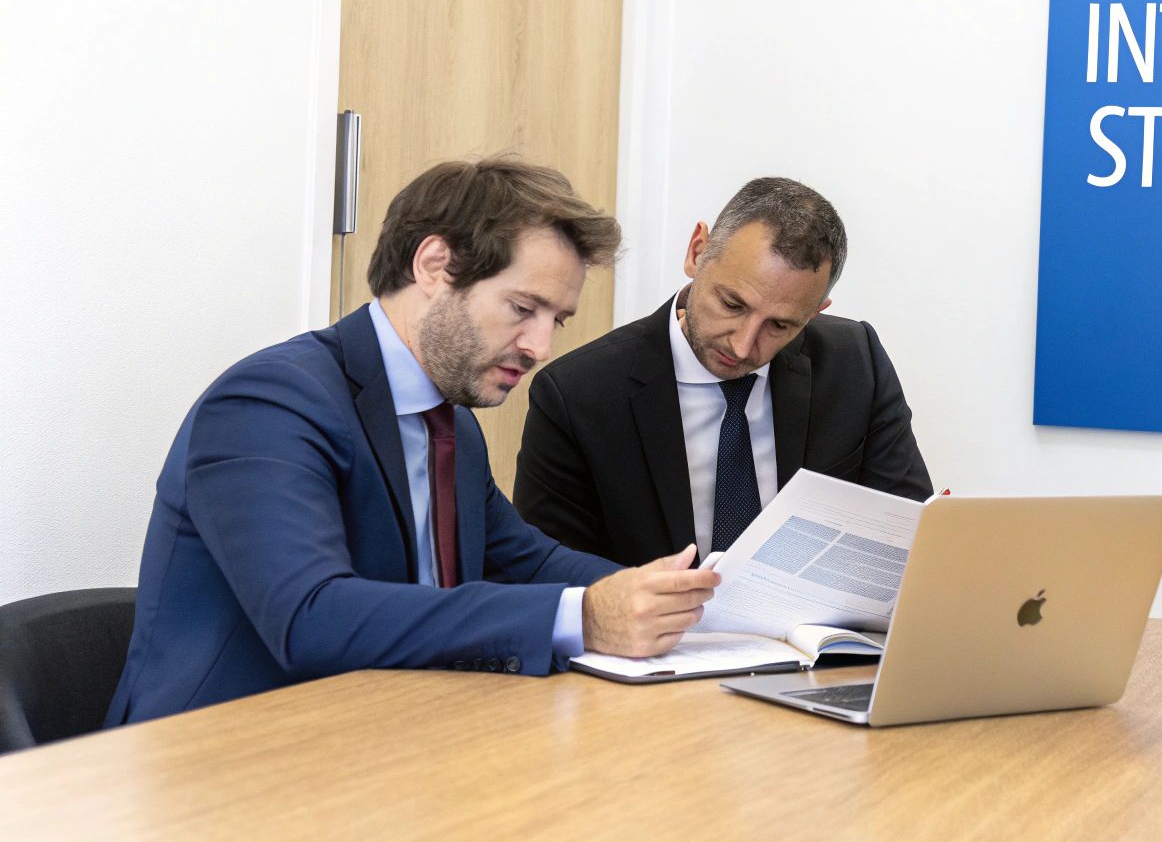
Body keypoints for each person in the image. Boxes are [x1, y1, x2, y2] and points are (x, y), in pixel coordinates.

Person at [106, 157, 719, 726]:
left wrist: (674, 598)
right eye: (522, 307)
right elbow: (311, 617)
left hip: (388, 737)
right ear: (433, 265)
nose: (540, 348)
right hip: (224, 762)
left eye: (554, 321)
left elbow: (526, 562)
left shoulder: (451, 426)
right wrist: (584, 618)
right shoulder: (271, 400)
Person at [515, 177, 932, 567]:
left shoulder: (855, 363)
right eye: (732, 304)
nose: (743, 345)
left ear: (815, 313)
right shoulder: (577, 395)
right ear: (697, 252)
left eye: (780, 325)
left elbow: (908, 538)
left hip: (816, 642)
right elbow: (550, 575)